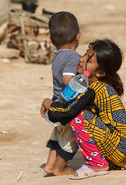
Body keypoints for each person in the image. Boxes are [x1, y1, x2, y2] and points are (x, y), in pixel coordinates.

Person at [42, 39, 126, 179]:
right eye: (85, 54)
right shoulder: (89, 85)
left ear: (100, 72)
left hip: (120, 149)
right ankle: (54, 166)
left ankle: (96, 164)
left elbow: (66, 113)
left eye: (89, 59)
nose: (81, 59)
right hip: (119, 148)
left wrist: (47, 102)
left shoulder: (94, 89)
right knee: (73, 115)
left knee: (77, 116)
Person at [40, 11, 81, 176]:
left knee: (57, 135)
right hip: (67, 107)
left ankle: (50, 165)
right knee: (70, 138)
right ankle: (60, 168)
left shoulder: (57, 56)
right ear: (78, 36)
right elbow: (67, 80)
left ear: (51, 40)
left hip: (56, 104)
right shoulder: (72, 56)